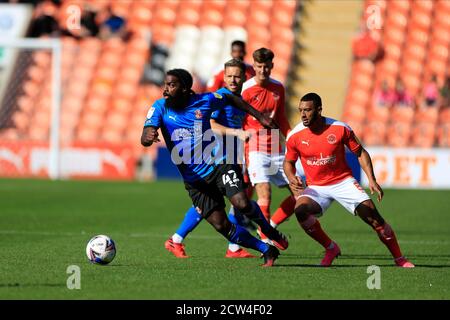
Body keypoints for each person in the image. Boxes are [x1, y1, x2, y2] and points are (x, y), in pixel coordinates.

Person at [141, 68, 289, 267]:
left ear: (185, 89)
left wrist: (260, 117)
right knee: (222, 225)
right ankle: (266, 249)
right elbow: (147, 132)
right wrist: (148, 136)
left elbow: (230, 98)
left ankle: (269, 231)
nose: (166, 89)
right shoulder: (160, 107)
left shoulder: (205, 100)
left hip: (219, 164)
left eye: (172, 85)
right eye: (166, 84)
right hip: (195, 181)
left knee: (242, 203)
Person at [283, 92, 415, 268]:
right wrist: (292, 178)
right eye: (301, 111)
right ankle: (330, 248)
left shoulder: (339, 128)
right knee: (300, 210)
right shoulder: (295, 135)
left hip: (343, 182)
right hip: (317, 187)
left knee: (374, 218)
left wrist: (372, 180)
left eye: (308, 110)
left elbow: (359, 152)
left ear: (319, 110)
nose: (303, 115)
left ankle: (400, 259)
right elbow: (288, 163)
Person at [165, 59, 255, 259]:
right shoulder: (219, 98)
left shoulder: (241, 99)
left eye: (237, 76)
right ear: (224, 77)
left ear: (244, 77)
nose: (233, 79)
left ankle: (180, 239)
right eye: (230, 76)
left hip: (231, 153)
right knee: (222, 199)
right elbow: (211, 123)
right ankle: (233, 246)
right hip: (216, 155)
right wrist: (236, 133)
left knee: (224, 199)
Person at [241, 48, 297, 242]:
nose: (263, 71)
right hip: (254, 148)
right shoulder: (245, 89)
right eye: (259, 67)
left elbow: (281, 118)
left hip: (276, 148)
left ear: (272, 66)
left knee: (301, 193)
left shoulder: (278, 88)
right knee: (265, 195)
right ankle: (266, 242)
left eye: (266, 67)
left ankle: (269, 226)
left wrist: (291, 139)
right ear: (254, 66)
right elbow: (237, 118)